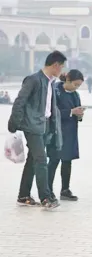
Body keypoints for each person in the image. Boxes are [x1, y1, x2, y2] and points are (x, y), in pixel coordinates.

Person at [8, 50, 66, 209]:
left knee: (33, 160)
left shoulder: (50, 82)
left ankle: (23, 195)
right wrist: (14, 123)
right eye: (61, 67)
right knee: (41, 159)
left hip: (44, 125)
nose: (61, 70)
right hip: (32, 125)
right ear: (55, 65)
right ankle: (46, 197)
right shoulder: (33, 80)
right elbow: (20, 101)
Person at [47, 69, 85, 202]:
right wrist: (70, 112)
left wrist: (79, 114)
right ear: (67, 80)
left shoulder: (75, 95)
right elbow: (51, 112)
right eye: (75, 84)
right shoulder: (55, 90)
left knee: (67, 160)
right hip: (57, 131)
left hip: (70, 132)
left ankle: (65, 189)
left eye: (79, 86)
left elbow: (77, 111)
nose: (76, 88)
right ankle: (48, 190)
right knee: (53, 161)